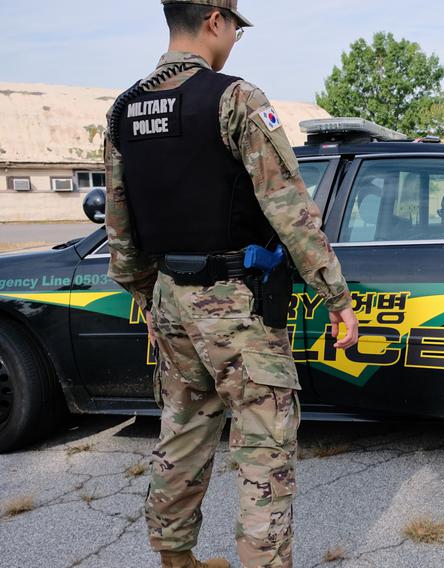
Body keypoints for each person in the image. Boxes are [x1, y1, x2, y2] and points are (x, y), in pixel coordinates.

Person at [104, 2, 359, 566]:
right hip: (236, 303)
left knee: (182, 431)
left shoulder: (125, 109)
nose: (236, 41)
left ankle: (175, 557)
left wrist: (149, 293)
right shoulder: (236, 97)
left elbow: (119, 227)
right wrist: (336, 297)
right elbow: (291, 207)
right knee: (265, 445)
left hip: (170, 297)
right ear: (215, 20)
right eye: (236, 29)